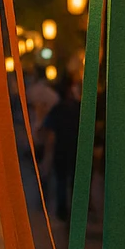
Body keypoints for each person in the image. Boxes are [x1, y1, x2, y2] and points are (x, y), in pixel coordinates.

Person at [42, 79, 82, 220]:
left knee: (61, 180)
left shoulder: (57, 109)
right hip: (77, 149)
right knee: (75, 180)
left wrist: (48, 153)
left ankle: (62, 210)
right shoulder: (79, 108)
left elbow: (50, 133)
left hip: (61, 149)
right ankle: (77, 209)